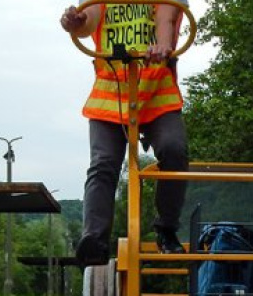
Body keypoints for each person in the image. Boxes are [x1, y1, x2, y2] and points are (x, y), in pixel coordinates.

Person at [60, 1, 190, 266]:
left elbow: (166, 18)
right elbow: (89, 21)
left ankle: (166, 229)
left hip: (156, 94)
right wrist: (76, 22)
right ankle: (94, 240)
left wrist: (162, 46)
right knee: (103, 163)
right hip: (111, 95)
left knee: (174, 150)